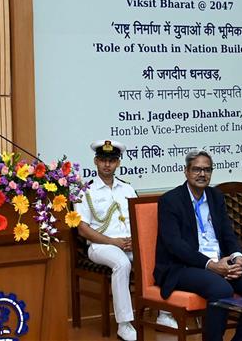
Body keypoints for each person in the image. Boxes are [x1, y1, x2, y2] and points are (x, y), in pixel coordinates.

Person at [154, 149, 242, 341]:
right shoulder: (170, 200)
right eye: (197, 169)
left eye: (207, 170)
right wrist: (212, 265)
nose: (202, 174)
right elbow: (175, 245)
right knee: (221, 288)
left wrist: (237, 258)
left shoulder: (215, 196)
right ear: (186, 171)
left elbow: (227, 233)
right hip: (183, 266)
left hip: (221, 262)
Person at [74, 140, 176, 341]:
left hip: (130, 243)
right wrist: (114, 242)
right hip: (101, 246)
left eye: (112, 160)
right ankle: (125, 324)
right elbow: (83, 229)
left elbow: (140, 219)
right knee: (121, 263)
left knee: (161, 255)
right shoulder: (85, 190)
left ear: (118, 163)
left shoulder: (127, 189)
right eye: (103, 160)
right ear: (95, 161)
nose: (107, 165)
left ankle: (163, 313)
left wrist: (136, 241)